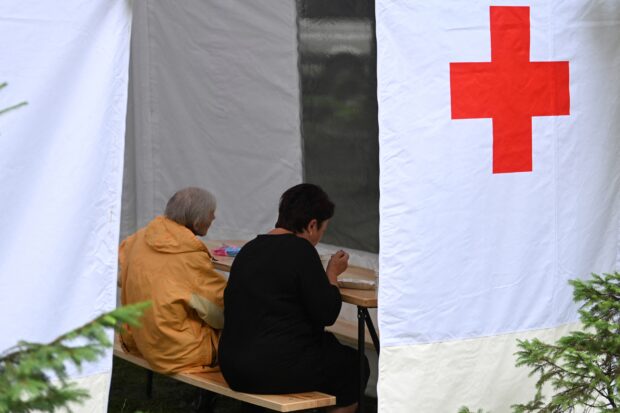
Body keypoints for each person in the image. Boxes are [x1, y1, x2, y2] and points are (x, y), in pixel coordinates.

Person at [219, 183, 370, 413]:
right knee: (355, 365)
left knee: (328, 352)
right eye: (322, 230)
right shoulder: (301, 250)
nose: (319, 237)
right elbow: (326, 313)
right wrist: (332, 274)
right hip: (274, 368)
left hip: (233, 365)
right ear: (311, 225)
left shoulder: (249, 249)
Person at [119, 187, 227, 374]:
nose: (214, 218)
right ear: (197, 220)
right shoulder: (189, 257)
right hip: (174, 352)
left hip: (136, 338)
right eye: (211, 213)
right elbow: (222, 311)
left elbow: (121, 278)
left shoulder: (138, 238)